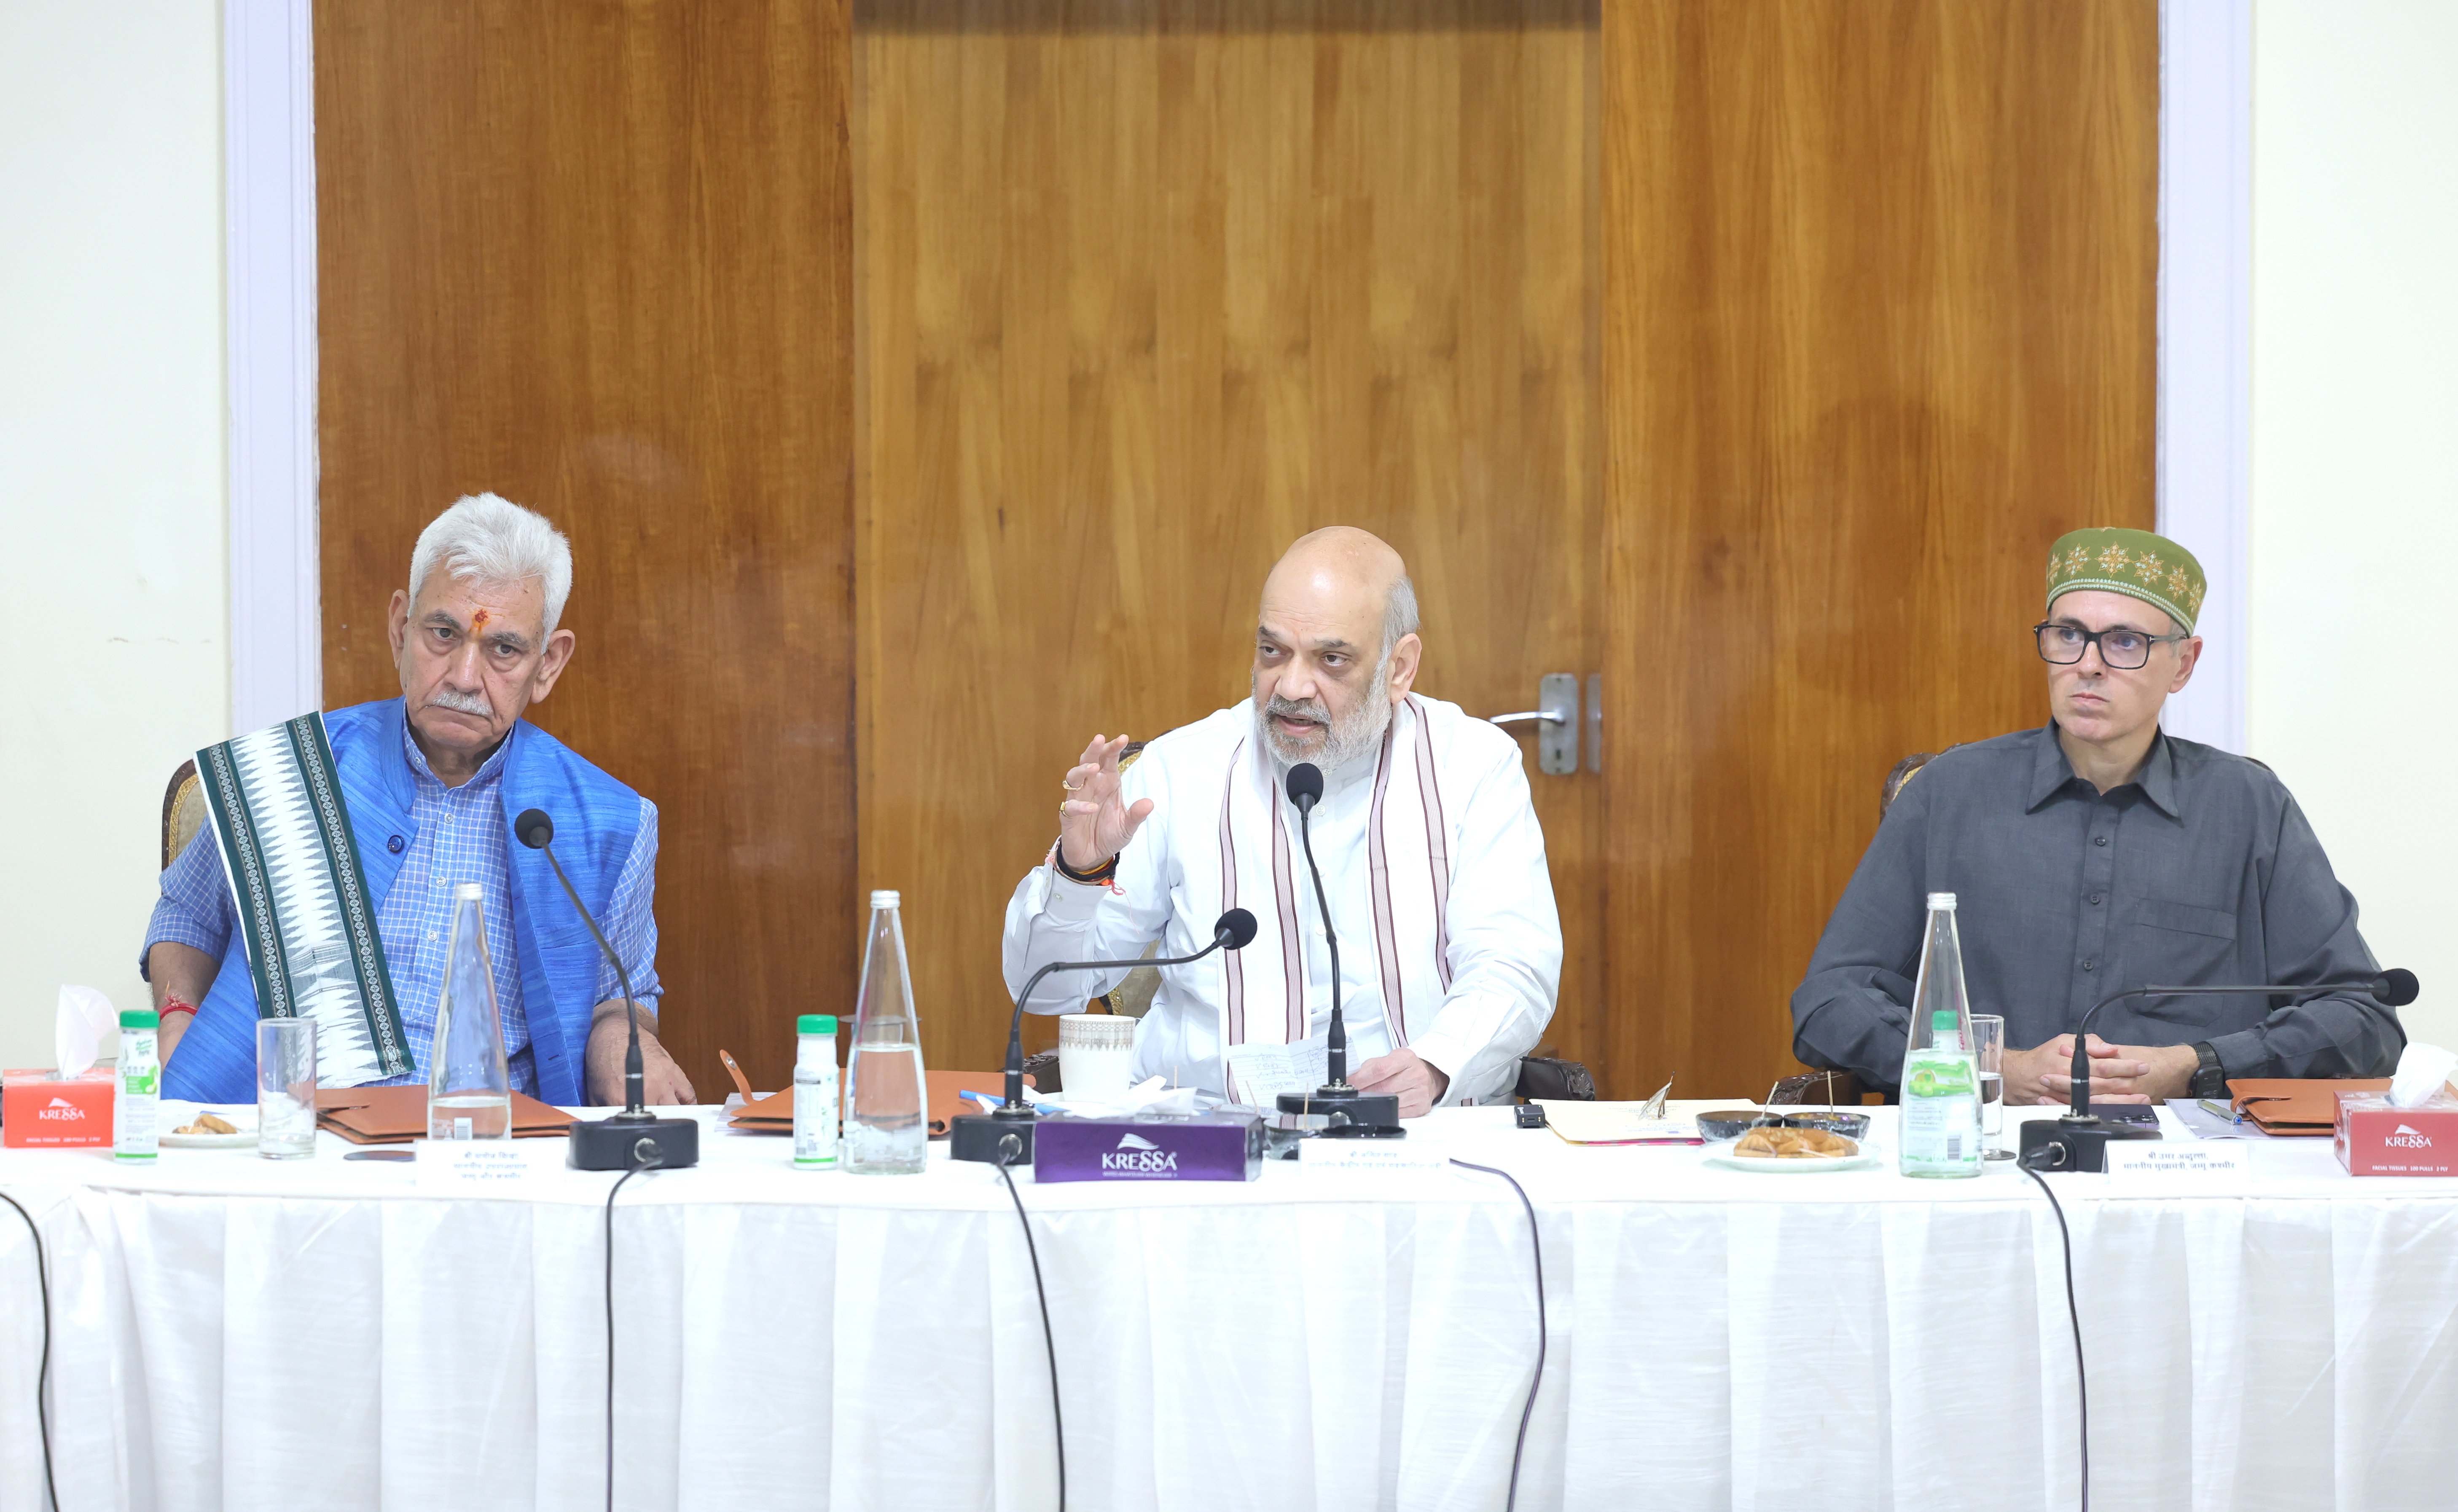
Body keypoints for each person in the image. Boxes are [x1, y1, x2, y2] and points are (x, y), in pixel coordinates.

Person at [1792, 526, 2401, 1105]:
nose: (2088, 664)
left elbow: (2363, 1019)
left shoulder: (2247, 808)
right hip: (1980, 1150)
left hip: (2186, 1165)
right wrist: (1989, 1068)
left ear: (2183, 664)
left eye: (2125, 642)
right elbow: (1828, 1005)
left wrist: (2196, 1066)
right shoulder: (1949, 794)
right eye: (2068, 635)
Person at [143, 493, 694, 1106]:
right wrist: (177, 1014)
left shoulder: (610, 822)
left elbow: (624, 995)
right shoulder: (290, 776)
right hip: (291, 1133)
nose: (463, 676)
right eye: (442, 634)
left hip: (492, 1149)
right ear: (400, 628)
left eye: (503, 650)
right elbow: (186, 915)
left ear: (549, 664)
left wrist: (618, 1037)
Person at [1001, 527, 1562, 1115]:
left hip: (1415, 1134)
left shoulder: (1471, 765)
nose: (1291, 687)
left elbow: (1513, 963)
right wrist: (1077, 875)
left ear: (1400, 668)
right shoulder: (1180, 771)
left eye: (1332, 659)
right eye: (1273, 651)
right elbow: (1045, 988)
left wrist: (1438, 1063)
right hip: (1209, 1138)